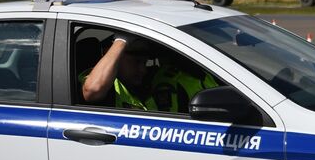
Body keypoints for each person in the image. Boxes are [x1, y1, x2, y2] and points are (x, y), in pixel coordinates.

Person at [81, 34, 217, 112]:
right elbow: (92, 90)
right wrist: (122, 40)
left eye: (145, 62)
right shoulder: (101, 81)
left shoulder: (152, 81)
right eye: (137, 62)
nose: (143, 69)